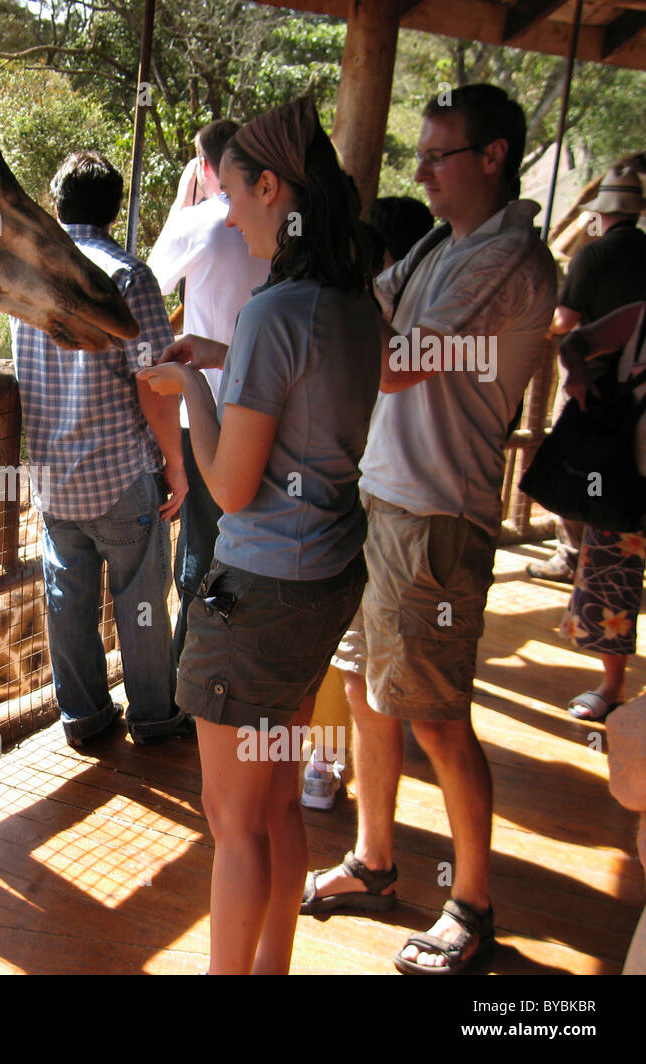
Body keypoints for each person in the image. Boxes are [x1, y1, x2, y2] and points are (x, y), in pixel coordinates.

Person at [303, 84, 558, 975]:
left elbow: (401, 363)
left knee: (441, 718)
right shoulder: (440, 252)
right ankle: (375, 861)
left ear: (492, 158)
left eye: (438, 154)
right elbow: (357, 315)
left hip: (439, 519)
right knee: (372, 695)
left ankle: (474, 903)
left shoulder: (512, 259)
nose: (421, 171)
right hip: (388, 504)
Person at [139, 96, 382, 974]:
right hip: (323, 583)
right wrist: (219, 356)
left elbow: (232, 489)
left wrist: (190, 392)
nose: (226, 211)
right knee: (277, 803)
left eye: (233, 193)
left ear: (273, 187)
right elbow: (306, 409)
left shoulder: (278, 313)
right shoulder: (353, 302)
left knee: (233, 822)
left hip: (260, 594)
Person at [10, 149, 192, 748]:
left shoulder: (26, 278)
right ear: (114, 209)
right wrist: (176, 464)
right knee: (141, 602)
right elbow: (156, 385)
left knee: (68, 602)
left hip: (55, 481)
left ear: (55, 202)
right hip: (119, 475)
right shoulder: (128, 278)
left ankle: (85, 718)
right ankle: (154, 719)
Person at [302, 193, 435, 812]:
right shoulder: (403, 313)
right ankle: (329, 763)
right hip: (380, 493)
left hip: (364, 495)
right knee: (357, 651)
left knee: (344, 648)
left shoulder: (365, 318)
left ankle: (323, 764)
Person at [148, 120, 269, 665]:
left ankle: (186, 673)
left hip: (208, 416)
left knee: (200, 550)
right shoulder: (280, 225)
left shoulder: (200, 222)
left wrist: (182, 203)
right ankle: (236, 659)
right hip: (269, 412)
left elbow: (146, 284)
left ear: (205, 167)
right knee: (249, 543)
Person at [528, 165, 646, 585]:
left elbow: (564, 321)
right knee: (624, 467)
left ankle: (575, 553)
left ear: (602, 213)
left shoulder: (595, 255)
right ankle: (619, 549)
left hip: (593, 377)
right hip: (638, 389)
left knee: (576, 462)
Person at [557, 299, 646, 720]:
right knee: (610, 577)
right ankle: (613, 685)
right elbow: (576, 342)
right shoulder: (640, 315)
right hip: (628, 472)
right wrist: (577, 374)